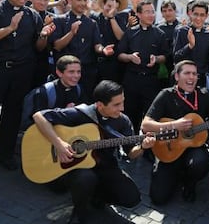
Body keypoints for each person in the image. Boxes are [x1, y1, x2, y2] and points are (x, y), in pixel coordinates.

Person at [32, 80, 156, 224]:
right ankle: (80, 211)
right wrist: (59, 143)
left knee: (132, 198)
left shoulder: (123, 121)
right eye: (116, 105)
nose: (122, 108)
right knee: (86, 178)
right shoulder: (82, 113)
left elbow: (131, 153)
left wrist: (143, 147)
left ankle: (96, 196)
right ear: (99, 105)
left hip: (105, 166)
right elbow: (39, 116)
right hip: (77, 167)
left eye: (123, 102)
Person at [0, 0, 55, 170]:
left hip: (21, 72)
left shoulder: (33, 15)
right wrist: (10, 28)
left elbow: (37, 47)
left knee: (12, 114)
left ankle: (5, 154)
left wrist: (43, 36)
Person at [141, 60, 209, 204]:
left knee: (201, 164)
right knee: (158, 198)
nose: (192, 77)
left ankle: (189, 183)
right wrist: (174, 125)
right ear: (177, 76)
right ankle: (173, 172)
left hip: (193, 147)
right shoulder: (165, 95)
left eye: (194, 74)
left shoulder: (204, 94)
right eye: (187, 73)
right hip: (168, 147)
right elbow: (146, 125)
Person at [50, 0, 114, 99]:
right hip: (64, 75)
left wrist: (103, 50)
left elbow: (97, 45)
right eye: (79, 0)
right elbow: (57, 46)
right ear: (69, 1)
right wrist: (71, 33)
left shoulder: (92, 23)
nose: (83, 3)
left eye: (85, 0)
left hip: (87, 75)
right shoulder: (59, 20)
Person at [117, 0, 169, 134]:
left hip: (151, 81)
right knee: (129, 114)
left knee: (149, 116)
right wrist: (130, 57)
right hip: (131, 80)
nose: (151, 15)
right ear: (138, 14)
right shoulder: (130, 33)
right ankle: (129, 145)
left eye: (152, 12)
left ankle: (147, 147)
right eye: (147, 12)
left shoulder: (160, 34)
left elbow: (165, 56)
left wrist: (156, 59)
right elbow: (120, 55)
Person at [173, 0, 209, 88]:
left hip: (201, 80)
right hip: (183, 78)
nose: (198, 18)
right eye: (196, 14)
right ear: (190, 14)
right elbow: (176, 57)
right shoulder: (182, 31)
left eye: (202, 15)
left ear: (206, 16)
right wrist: (190, 46)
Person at [92, 0, 128, 83]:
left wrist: (111, 18)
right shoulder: (94, 19)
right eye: (109, 6)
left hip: (112, 65)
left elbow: (120, 37)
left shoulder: (120, 20)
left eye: (115, 7)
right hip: (94, 62)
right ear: (103, 5)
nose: (111, 9)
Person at [157, 0, 180, 88]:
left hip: (176, 67)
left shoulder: (182, 27)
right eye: (164, 11)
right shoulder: (158, 28)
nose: (167, 13)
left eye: (170, 10)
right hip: (161, 67)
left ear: (175, 11)